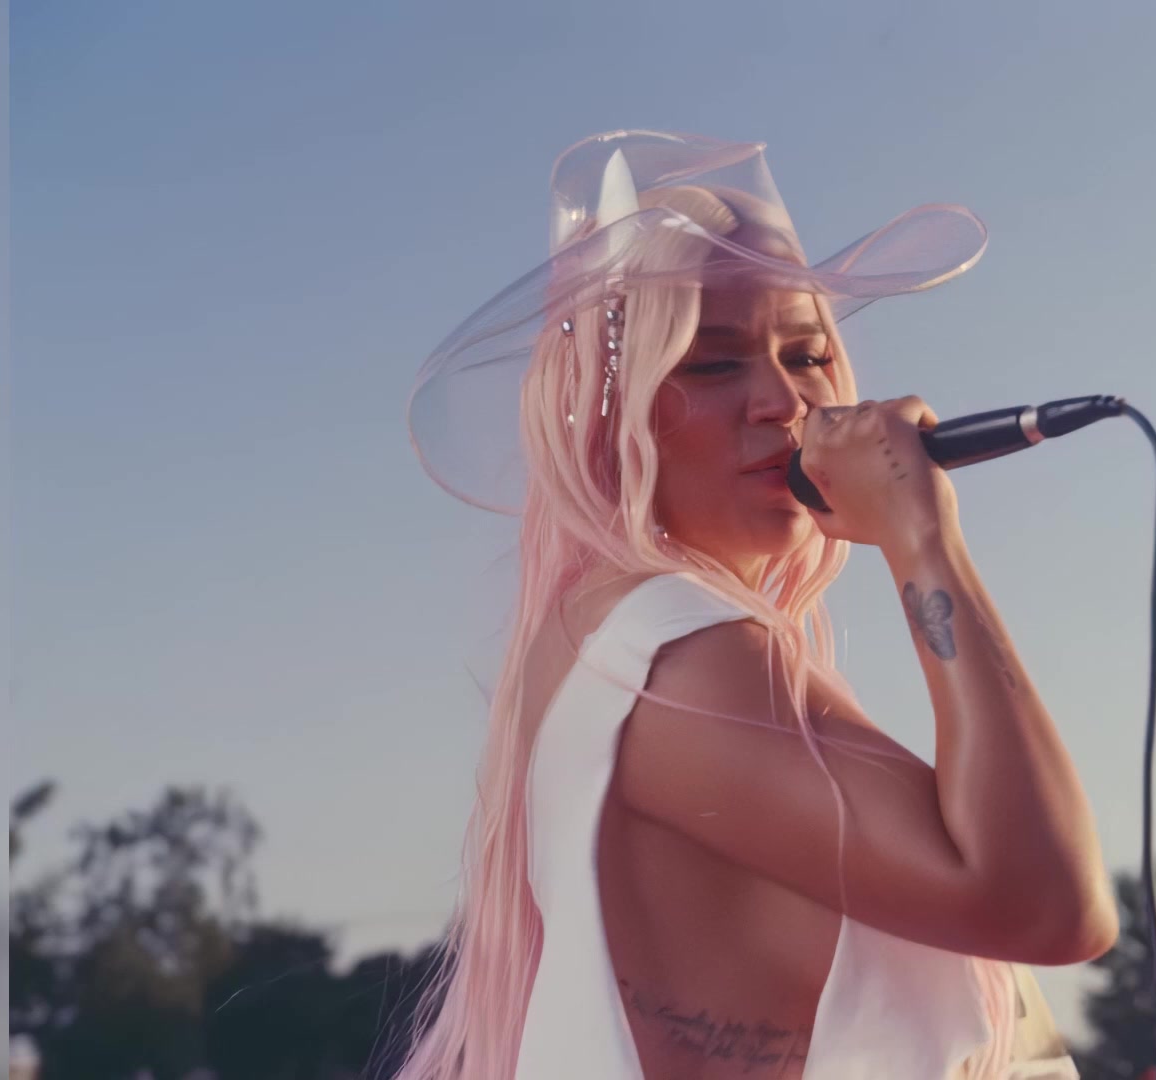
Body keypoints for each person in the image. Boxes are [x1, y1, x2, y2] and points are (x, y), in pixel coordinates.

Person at [400, 130, 1114, 1079]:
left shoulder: (617, 639)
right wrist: (923, 539)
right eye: (711, 363)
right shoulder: (671, 652)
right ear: (611, 408)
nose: (783, 402)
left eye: (807, 354)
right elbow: (1049, 906)